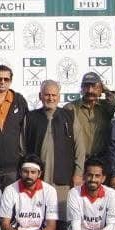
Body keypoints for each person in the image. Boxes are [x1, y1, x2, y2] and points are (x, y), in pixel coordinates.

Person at [22, 80, 75, 208]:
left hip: (62, 177)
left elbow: (79, 147)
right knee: (37, 213)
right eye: (47, 95)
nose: (50, 98)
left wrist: (78, 173)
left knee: (61, 217)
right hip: (36, 178)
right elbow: (22, 146)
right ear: (40, 96)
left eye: (54, 95)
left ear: (59, 97)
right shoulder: (30, 117)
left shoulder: (69, 116)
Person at [69, 72, 115, 188]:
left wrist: (105, 90)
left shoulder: (106, 107)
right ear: (81, 88)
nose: (90, 90)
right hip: (80, 163)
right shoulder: (71, 108)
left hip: (102, 161)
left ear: (100, 88)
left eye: (94, 86)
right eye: (86, 86)